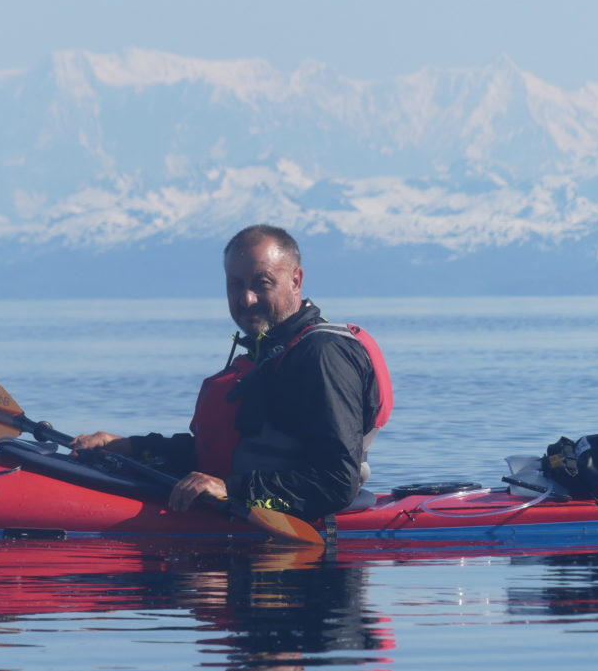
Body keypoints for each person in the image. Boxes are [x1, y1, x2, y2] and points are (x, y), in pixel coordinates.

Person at [72, 224, 392, 522]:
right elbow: (220, 455)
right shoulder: (269, 352)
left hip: (310, 530)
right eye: (235, 285)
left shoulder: (322, 355)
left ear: (296, 280)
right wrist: (132, 447)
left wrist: (232, 490)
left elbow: (335, 484)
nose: (245, 299)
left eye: (261, 284)